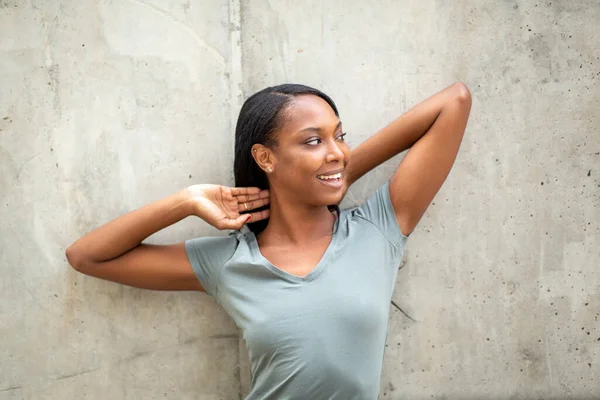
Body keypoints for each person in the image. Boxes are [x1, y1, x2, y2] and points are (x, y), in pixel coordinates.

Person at [66, 82, 472, 399]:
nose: (336, 150)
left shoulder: (378, 228)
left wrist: (337, 173)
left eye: (340, 136)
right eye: (313, 140)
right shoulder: (228, 263)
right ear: (265, 158)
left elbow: (454, 101)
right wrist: (185, 201)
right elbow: (87, 256)